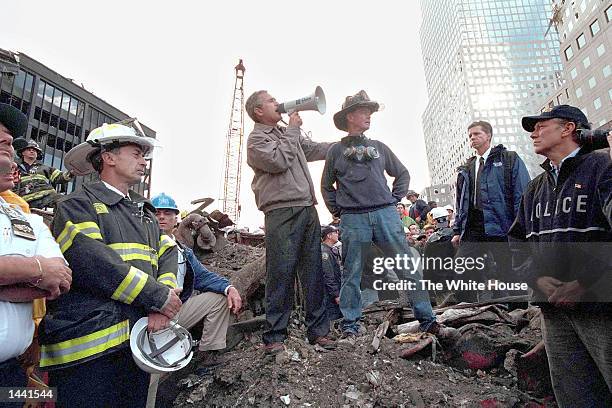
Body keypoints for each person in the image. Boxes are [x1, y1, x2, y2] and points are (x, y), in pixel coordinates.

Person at [39, 123, 181, 407]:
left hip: (135, 345)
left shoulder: (145, 212)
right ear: (108, 157)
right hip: (87, 351)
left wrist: (162, 305)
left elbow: (167, 252)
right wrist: (158, 297)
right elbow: (93, 262)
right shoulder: (77, 205)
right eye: (136, 153)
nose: (143, 161)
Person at [321, 90, 456, 341]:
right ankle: (350, 326)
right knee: (352, 272)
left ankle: (427, 320)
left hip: (385, 215)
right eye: (363, 111)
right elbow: (326, 186)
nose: (368, 116)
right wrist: (338, 211)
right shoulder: (335, 152)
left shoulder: (379, 148)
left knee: (408, 268)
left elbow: (402, 173)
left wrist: (394, 199)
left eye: (370, 112)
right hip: (354, 219)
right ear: (350, 116)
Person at [509, 105, 612, 407]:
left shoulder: (602, 168)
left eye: (541, 126)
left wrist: (586, 282)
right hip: (554, 312)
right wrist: (537, 277)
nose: (533, 133)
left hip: (599, 305)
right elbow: (516, 243)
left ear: (568, 128)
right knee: (574, 392)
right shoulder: (534, 188)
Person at [245, 90, 336, 355]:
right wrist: (293, 130)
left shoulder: (286, 134)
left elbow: (314, 149)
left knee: (313, 271)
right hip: (281, 211)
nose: (278, 103)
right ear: (259, 111)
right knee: (281, 272)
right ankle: (275, 335)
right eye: (271, 101)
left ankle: (319, 332)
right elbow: (278, 161)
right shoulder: (256, 139)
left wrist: (342, 145)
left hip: (307, 207)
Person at [0, 103, 71, 392]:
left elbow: (60, 278)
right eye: (0, 135)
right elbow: (47, 272)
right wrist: (38, 269)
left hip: (9, 374)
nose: (9, 142)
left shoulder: (24, 216)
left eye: (9, 138)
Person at [152, 192, 242, 367]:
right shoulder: (142, 245)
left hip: (174, 312)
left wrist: (229, 287)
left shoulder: (182, 250)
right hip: (148, 316)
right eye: (157, 213)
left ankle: (206, 356)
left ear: (175, 219)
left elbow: (203, 276)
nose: (162, 217)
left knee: (220, 299)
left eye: (167, 213)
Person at [452, 120, 530, 302]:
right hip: (473, 226)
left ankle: (519, 312)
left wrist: (520, 225)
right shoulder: (467, 167)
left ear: (488, 136)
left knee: (509, 271)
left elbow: (522, 193)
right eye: (470, 135)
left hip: (502, 225)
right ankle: (468, 309)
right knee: (462, 270)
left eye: (477, 134)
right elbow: (460, 202)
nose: (472, 138)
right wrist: (457, 230)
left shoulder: (508, 159)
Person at [13, 139, 72, 209]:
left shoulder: (44, 168)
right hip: (25, 201)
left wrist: (71, 172)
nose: (32, 151)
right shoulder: (15, 169)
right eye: (29, 149)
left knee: (67, 203)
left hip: (47, 196)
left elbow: (59, 177)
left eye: (34, 150)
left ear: (37, 154)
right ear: (22, 153)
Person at [320, 224, 342, 321]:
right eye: (335, 232)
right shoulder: (324, 252)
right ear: (328, 236)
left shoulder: (329, 250)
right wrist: (336, 294)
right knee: (333, 318)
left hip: (331, 292)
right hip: (329, 295)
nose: (337, 234)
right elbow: (328, 275)